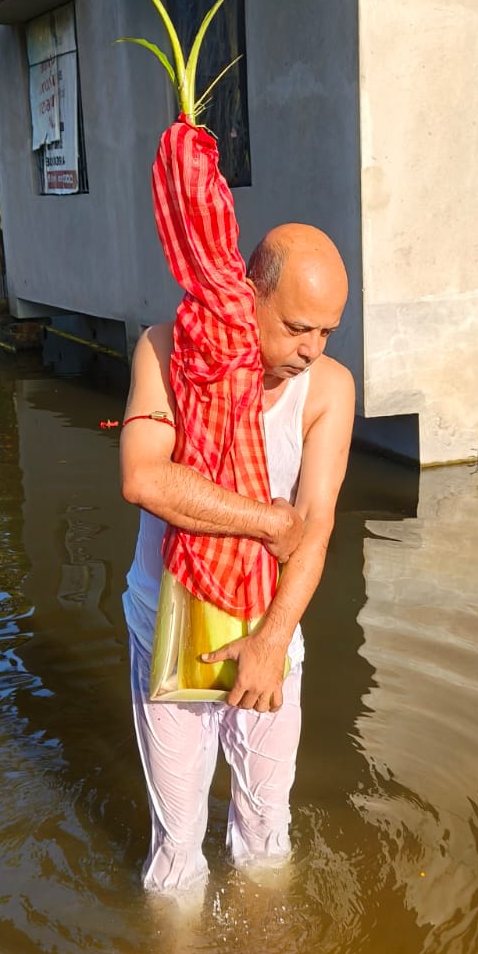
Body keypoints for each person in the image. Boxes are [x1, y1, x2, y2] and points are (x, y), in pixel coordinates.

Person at [120, 223, 355, 895]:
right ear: (249, 295)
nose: (311, 350)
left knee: (266, 832)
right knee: (177, 848)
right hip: (168, 624)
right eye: (296, 328)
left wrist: (272, 641)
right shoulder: (167, 351)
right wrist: (265, 520)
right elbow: (143, 478)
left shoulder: (330, 390)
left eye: (327, 333)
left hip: (270, 626)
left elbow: (317, 524)